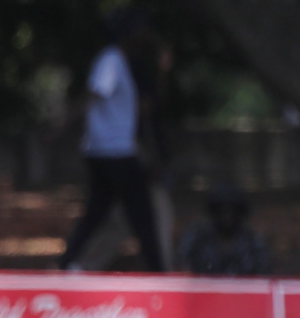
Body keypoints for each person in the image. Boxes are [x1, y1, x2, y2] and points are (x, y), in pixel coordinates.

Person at [58, 9, 165, 272]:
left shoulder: (121, 63)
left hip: (110, 151)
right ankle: (158, 273)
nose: (144, 34)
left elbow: (138, 111)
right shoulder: (111, 61)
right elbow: (94, 94)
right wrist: (61, 125)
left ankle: (66, 263)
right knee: (142, 216)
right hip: (114, 153)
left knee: (97, 213)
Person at [179, 183, 272, 275]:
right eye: (221, 210)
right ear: (214, 212)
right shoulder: (197, 240)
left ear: (240, 213)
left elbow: (264, 275)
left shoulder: (254, 243)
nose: (227, 216)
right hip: (204, 288)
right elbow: (183, 270)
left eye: (232, 210)